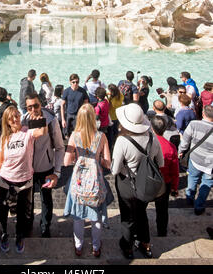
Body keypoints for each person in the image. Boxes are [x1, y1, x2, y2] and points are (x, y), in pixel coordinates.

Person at [0, 105, 48, 254]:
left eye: (16, 115)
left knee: (23, 213)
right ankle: (3, 234)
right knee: (2, 211)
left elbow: (42, 131)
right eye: (11, 117)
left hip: (25, 182)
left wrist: (40, 117)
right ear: (7, 121)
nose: (15, 119)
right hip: (5, 180)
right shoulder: (4, 137)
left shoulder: (27, 132)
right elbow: (0, 162)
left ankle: (19, 236)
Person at [111, 104, 164, 259]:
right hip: (146, 182)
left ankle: (127, 247)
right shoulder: (153, 138)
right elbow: (160, 163)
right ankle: (145, 243)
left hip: (127, 183)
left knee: (127, 217)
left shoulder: (122, 141)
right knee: (141, 213)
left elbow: (114, 170)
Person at [64, 104, 111, 257]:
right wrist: (97, 160)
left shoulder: (74, 135)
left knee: (78, 216)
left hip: (78, 180)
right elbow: (107, 162)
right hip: (95, 180)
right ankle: (96, 247)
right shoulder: (101, 136)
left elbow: (66, 161)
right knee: (95, 216)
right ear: (93, 118)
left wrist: (77, 158)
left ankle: (78, 246)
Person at [22, 93, 65, 238]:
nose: (33, 109)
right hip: (28, 169)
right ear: (26, 108)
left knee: (46, 199)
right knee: (28, 200)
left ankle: (45, 227)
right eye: (29, 107)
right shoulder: (23, 121)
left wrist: (57, 172)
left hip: (46, 168)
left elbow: (60, 147)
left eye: (36, 105)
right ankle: (28, 225)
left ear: (41, 104)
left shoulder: (51, 120)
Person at [178, 105, 213, 215]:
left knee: (192, 178)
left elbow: (185, 142)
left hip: (195, 159)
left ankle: (189, 198)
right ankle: (199, 206)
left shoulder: (194, 124)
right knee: (206, 183)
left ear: (203, 114)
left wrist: (181, 151)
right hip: (210, 164)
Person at [151, 116, 179, 237]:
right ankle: (162, 232)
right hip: (164, 182)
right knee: (162, 210)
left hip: (148, 181)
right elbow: (175, 171)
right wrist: (174, 187)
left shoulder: (148, 144)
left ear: (151, 128)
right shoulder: (171, 147)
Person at [107, 84, 124, 152]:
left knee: (110, 133)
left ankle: (111, 146)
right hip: (118, 116)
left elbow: (108, 107)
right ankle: (117, 142)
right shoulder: (120, 95)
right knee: (116, 131)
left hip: (111, 117)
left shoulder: (111, 99)